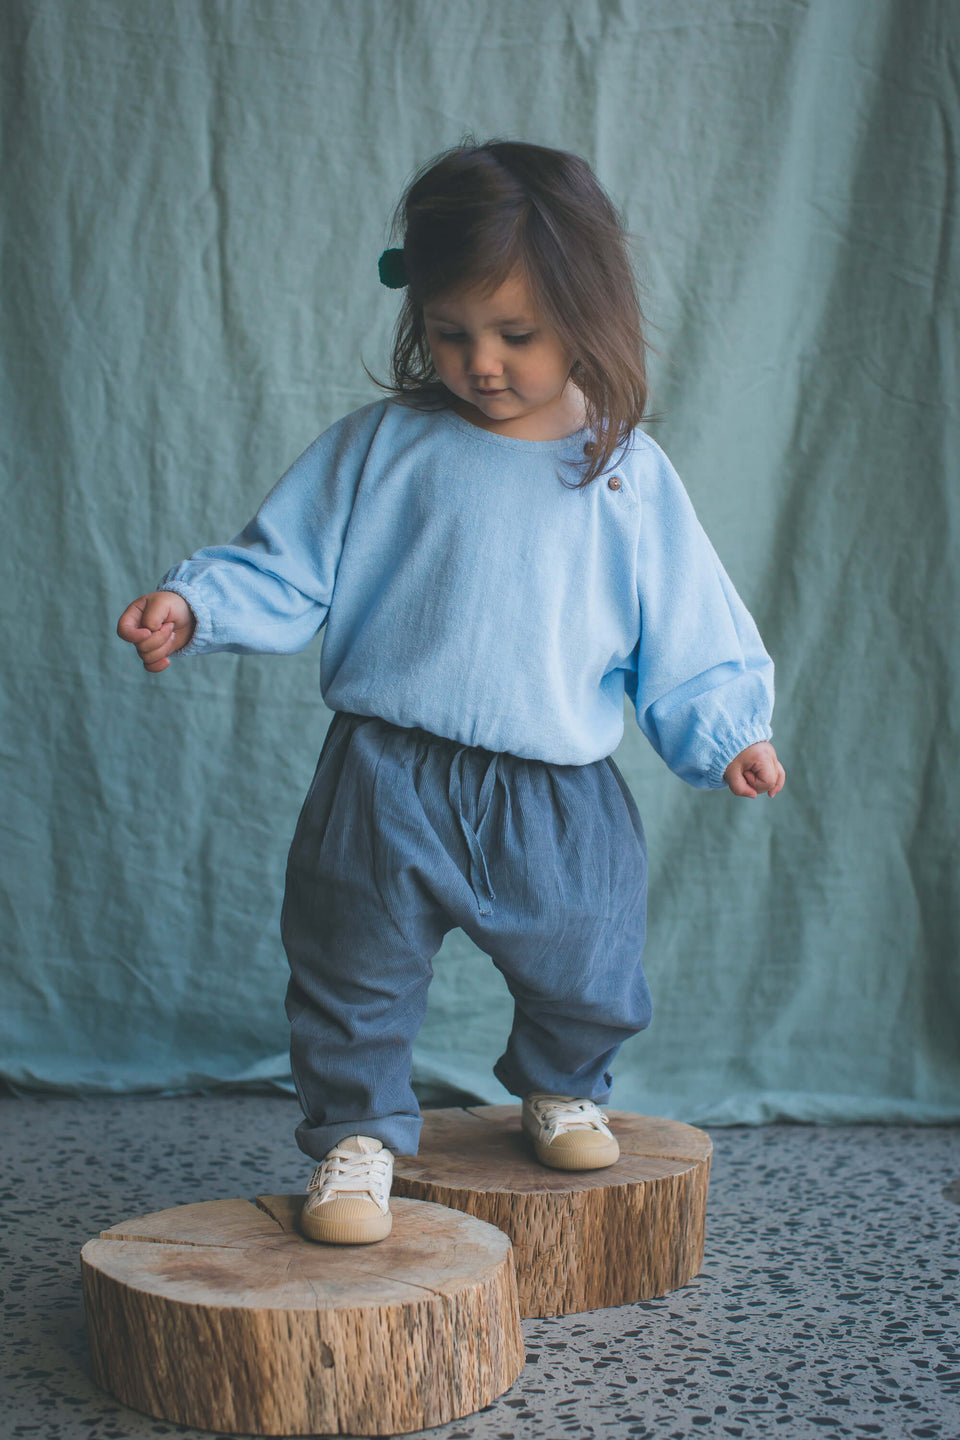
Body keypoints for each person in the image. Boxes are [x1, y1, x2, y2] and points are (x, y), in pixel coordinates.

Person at [117, 139, 785, 1247]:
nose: (482, 363)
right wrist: (198, 606)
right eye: (450, 331)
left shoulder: (621, 470)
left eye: (516, 334)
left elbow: (688, 621)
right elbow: (286, 563)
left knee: (589, 960)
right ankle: (355, 1136)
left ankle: (563, 1083)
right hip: (384, 772)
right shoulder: (385, 445)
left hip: (554, 783)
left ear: (588, 313)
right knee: (351, 964)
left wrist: (729, 732)